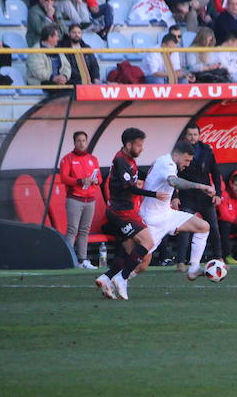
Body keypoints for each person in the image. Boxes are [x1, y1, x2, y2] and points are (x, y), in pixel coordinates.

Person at [94, 127, 172, 301]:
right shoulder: (121, 161)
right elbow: (131, 187)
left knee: (134, 254)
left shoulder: (128, 159)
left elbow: (137, 177)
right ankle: (122, 278)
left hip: (124, 211)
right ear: (128, 144)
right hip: (122, 213)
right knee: (148, 242)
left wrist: (156, 175)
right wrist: (155, 194)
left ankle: (106, 278)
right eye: (139, 145)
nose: (141, 148)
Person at [139, 140, 215, 282]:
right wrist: (201, 186)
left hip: (166, 215)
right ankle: (114, 279)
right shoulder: (168, 163)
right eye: (186, 160)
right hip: (152, 220)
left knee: (203, 227)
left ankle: (193, 268)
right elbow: (173, 181)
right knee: (142, 264)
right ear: (176, 154)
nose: (187, 164)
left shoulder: (165, 162)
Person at [174, 123, 222, 271]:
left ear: (199, 136)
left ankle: (219, 257)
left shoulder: (207, 150)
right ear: (185, 136)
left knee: (213, 226)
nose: (193, 137)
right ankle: (181, 261)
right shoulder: (178, 151)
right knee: (185, 228)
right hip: (186, 195)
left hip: (205, 196)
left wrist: (218, 194)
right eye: (190, 135)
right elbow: (173, 176)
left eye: (195, 134)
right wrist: (174, 196)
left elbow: (215, 173)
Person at [59, 130, 102, 268]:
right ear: (74, 142)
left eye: (84, 140)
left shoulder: (93, 159)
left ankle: (83, 260)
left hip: (90, 199)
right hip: (75, 199)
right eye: (79, 141)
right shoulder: (67, 159)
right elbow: (64, 178)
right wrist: (80, 181)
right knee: (72, 230)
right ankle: (68, 260)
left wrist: (96, 181)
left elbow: (100, 178)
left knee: (85, 231)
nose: (81, 143)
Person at [26, 24, 71, 93]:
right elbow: (37, 71)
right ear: (50, 37)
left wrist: (64, 76)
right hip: (41, 81)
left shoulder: (57, 49)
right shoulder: (35, 50)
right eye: (57, 36)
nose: (58, 39)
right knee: (58, 89)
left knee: (75, 86)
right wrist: (53, 78)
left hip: (58, 80)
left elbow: (67, 66)